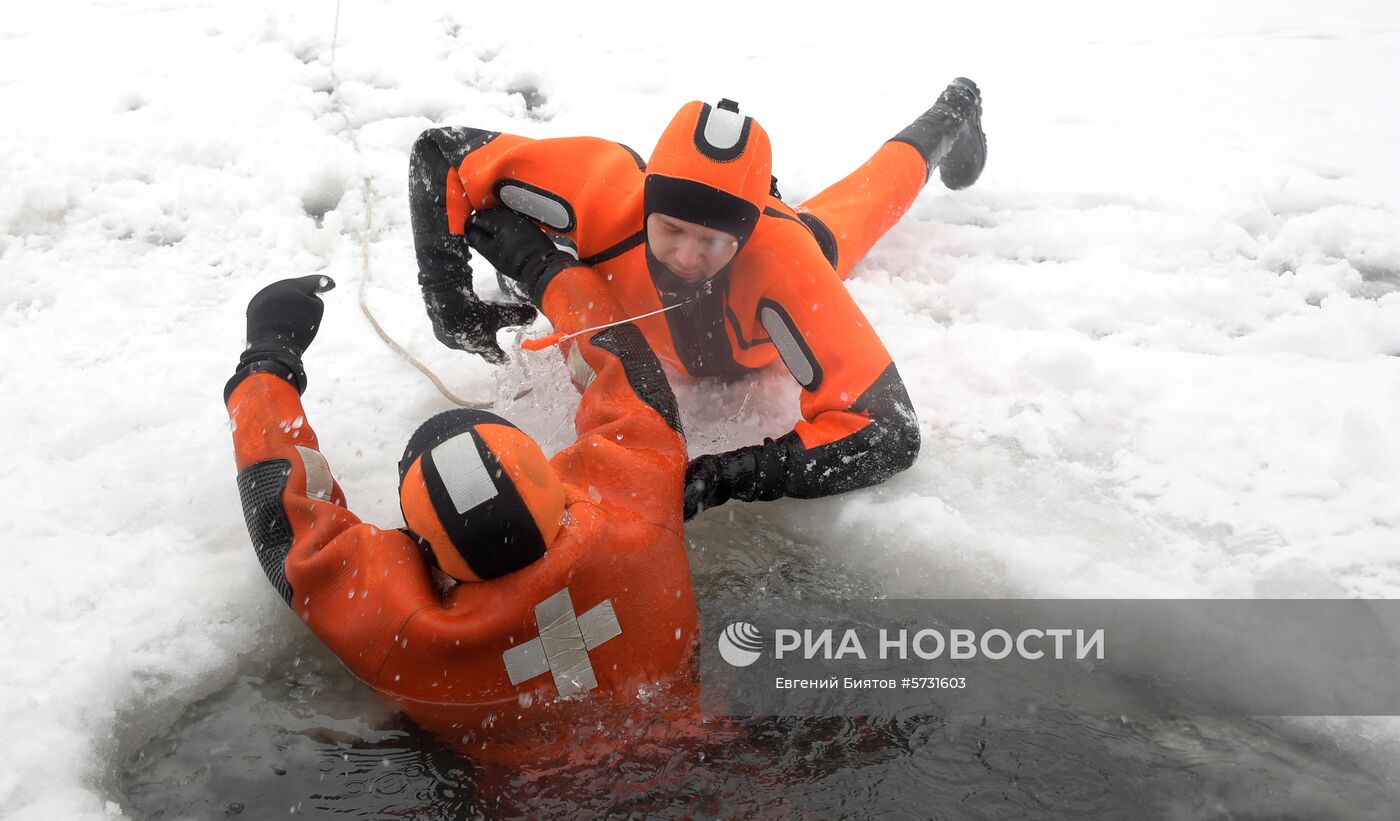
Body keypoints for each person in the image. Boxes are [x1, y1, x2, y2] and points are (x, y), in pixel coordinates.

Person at [408, 79, 987, 519]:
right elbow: (442, 154)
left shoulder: (783, 262)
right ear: (647, 203)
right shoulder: (605, 190)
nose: (686, 257)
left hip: (782, 271)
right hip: (633, 311)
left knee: (872, 193)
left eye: (712, 240)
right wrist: (449, 301)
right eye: (672, 230)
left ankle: (953, 112)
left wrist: (732, 475)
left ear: (745, 229)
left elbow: (888, 432)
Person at [224, 249, 698, 754]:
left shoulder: (412, 639)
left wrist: (267, 360)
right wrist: (546, 270)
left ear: (420, 551)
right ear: (556, 484)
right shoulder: (639, 521)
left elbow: (285, 518)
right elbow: (624, 369)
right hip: (686, 751)